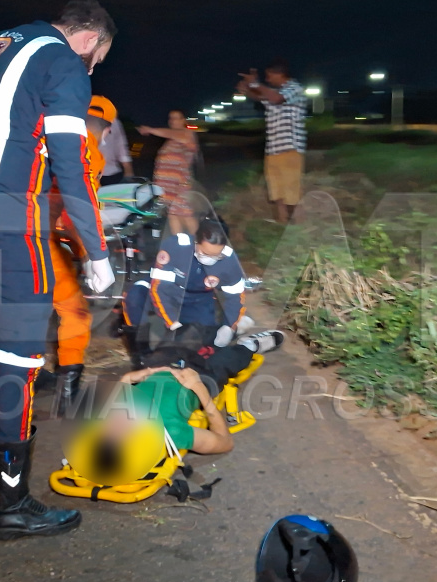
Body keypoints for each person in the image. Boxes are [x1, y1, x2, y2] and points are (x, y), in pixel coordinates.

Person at [0, 0, 117, 541]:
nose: (93, 68)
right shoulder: (63, 62)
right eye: (98, 58)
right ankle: (11, 506)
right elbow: (72, 166)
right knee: (21, 361)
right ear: (91, 40)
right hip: (6, 227)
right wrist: (96, 253)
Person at [102, 330, 284, 458]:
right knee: (224, 362)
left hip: (161, 365)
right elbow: (225, 443)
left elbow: (125, 381)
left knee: (182, 336)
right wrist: (198, 387)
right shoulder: (170, 433)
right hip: (200, 379)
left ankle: (222, 333)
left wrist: (146, 372)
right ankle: (248, 345)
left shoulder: (113, 416)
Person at [47, 95, 117, 416]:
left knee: (23, 313)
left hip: (6, 232)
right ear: (107, 130)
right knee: (74, 313)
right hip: (41, 239)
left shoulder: (45, 138)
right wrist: (93, 254)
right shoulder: (88, 150)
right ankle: (69, 394)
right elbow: (80, 210)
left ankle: (21, 379)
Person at [120, 220, 254, 368]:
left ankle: (238, 327)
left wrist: (230, 326)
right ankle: (141, 354)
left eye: (217, 256)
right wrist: (172, 323)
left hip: (198, 299)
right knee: (134, 298)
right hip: (165, 290)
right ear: (195, 241)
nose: (210, 260)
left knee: (203, 343)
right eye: (205, 253)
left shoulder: (230, 261)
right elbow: (159, 290)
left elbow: (236, 298)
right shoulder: (176, 247)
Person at [237, 60, 308, 223]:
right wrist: (247, 90)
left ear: (279, 74)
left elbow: (275, 98)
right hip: (273, 149)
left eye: (269, 76)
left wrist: (255, 83)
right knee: (277, 192)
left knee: (292, 190)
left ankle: (301, 226)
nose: (268, 80)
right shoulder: (276, 92)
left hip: (290, 148)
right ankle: (282, 223)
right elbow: (261, 97)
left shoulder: (294, 89)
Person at [139, 110, 198, 235]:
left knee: (186, 213)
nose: (172, 121)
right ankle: (179, 243)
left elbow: (170, 133)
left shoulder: (187, 134)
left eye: (176, 118)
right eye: (170, 118)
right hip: (167, 186)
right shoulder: (171, 140)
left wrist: (150, 130)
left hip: (179, 184)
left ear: (184, 121)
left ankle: (199, 243)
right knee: (172, 214)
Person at [98, 116, 134, 186]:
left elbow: (121, 145)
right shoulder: (81, 118)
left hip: (111, 172)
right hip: (86, 173)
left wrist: (128, 169)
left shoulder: (113, 121)